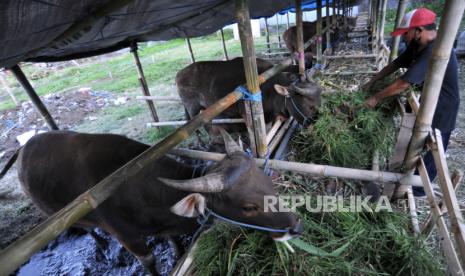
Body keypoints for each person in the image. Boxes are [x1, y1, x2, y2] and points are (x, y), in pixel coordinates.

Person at [362, 8, 460, 197]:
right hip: (427, 98)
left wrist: (375, 97)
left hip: (444, 105)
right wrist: (372, 81)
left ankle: (417, 190)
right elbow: (396, 63)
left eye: (406, 34)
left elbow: (403, 83)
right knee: (417, 138)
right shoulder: (418, 45)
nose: (405, 38)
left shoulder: (435, 50)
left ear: (419, 30)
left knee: (434, 147)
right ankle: (406, 170)